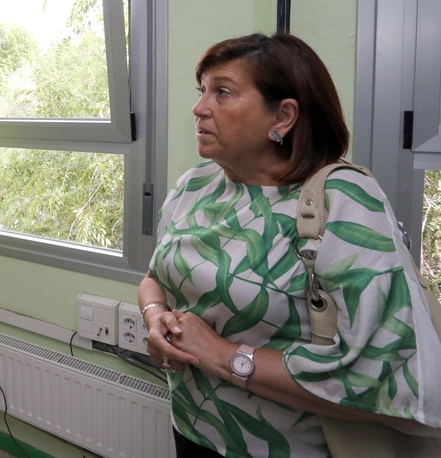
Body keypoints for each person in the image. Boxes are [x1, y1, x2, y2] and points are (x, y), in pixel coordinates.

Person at [138, 33, 441, 457]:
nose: (200, 107)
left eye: (222, 92)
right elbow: (154, 276)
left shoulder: (344, 199)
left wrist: (223, 355)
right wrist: (155, 319)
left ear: (283, 116)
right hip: (193, 427)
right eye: (202, 90)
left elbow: (381, 371)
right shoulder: (196, 184)